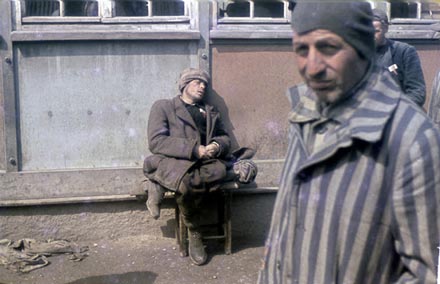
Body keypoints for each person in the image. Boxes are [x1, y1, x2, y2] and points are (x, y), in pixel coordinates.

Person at [258, 1, 440, 283]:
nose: (312, 67)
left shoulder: (413, 139)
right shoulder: (304, 115)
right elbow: (281, 235)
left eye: (328, 48)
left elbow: (420, 274)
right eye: (301, 49)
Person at [143, 68, 257, 266]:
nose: (202, 86)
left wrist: (216, 145)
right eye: (197, 82)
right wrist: (195, 150)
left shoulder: (210, 111)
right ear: (184, 85)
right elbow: (156, 142)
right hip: (174, 161)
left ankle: (159, 184)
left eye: (204, 83)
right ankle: (194, 230)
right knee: (187, 181)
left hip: (204, 163)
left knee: (217, 170)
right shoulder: (164, 107)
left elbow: (224, 137)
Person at [373, 8, 426, 107]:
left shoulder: (403, 52)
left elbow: (417, 92)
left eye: (376, 31)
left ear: (386, 29)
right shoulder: (356, 54)